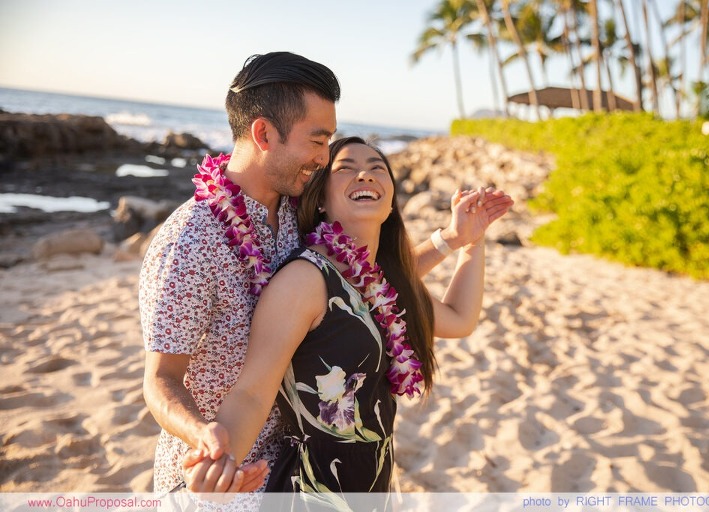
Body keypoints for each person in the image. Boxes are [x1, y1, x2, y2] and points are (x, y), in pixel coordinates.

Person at [140, 51, 513, 495]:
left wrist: (451, 241)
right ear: (263, 133)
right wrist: (204, 438)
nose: (323, 157)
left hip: (290, 466)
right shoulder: (192, 240)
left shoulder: (295, 211)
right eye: (318, 141)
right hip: (215, 475)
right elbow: (161, 378)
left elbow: (365, 284)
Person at [182, 137, 506, 506]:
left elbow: (459, 320)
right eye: (346, 168)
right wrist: (219, 460)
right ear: (319, 198)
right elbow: (252, 392)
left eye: (377, 168)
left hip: (372, 484)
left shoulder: (377, 285)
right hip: (315, 490)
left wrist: (472, 242)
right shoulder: (305, 279)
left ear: (390, 199)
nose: (365, 175)